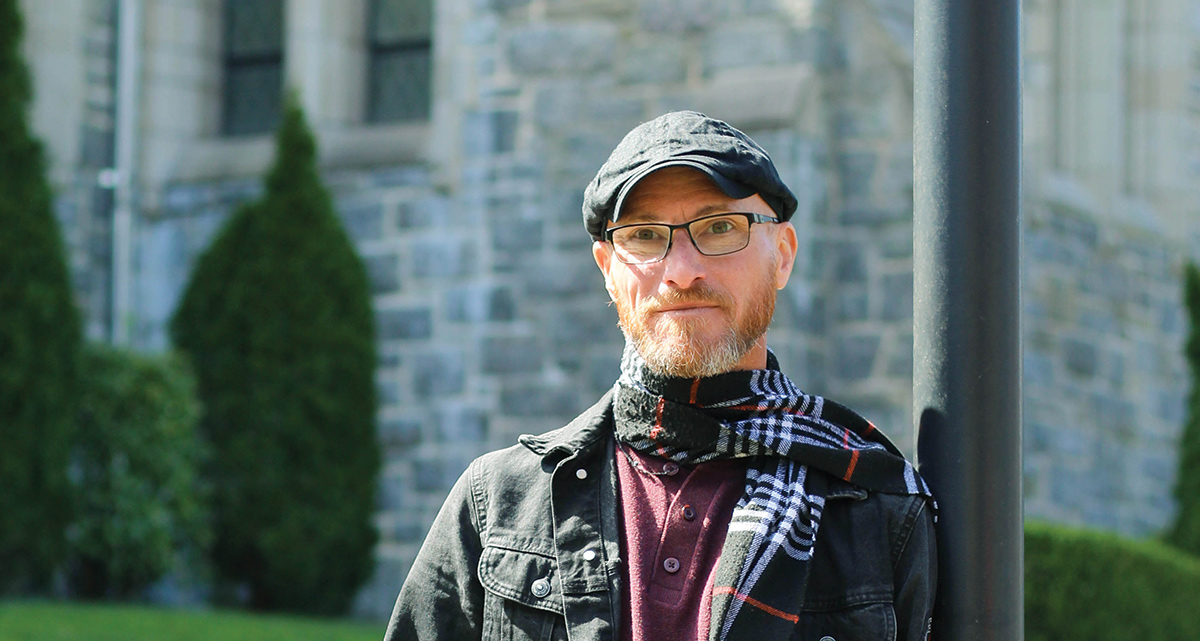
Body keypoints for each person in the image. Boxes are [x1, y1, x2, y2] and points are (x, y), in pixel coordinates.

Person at [384, 111, 937, 641]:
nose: (681, 271)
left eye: (720, 228)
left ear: (783, 255)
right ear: (607, 269)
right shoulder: (499, 502)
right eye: (645, 236)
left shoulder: (879, 511)